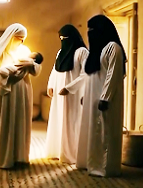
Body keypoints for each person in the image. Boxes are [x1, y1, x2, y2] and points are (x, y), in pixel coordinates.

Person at [0, 23, 42, 169]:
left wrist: (31, 65)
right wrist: (7, 74)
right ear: (11, 37)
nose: (21, 41)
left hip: (22, 92)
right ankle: (4, 158)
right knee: (6, 122)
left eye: (23, 39)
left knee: (20, 122)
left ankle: (20, 157)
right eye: (18, 38)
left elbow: (36, 68)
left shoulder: (25, 50)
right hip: (6, 93)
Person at [76, 14, 127, 177]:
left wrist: (105, 98)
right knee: (92, 132)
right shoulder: (95, 51)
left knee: (104, 133)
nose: (90, 33)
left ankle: (104, 167)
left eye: (93, 29)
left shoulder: (113, 48)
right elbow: (90, 76)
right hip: (92, 98)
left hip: (105, 101)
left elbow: (113, 75)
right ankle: (90, 163)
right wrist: (85, 94)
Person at [45, 24, 89, 164]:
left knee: (71, 121)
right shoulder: (60, 52)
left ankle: (71, 154)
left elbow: (86, 74)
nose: (63, 41)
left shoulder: (82, 52)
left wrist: (70, 88)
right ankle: (57, 150)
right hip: (59, 92)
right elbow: (55, 69)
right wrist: (51, 85)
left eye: (65, 38)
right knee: (58, 119)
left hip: (73, 94)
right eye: (61, 39)